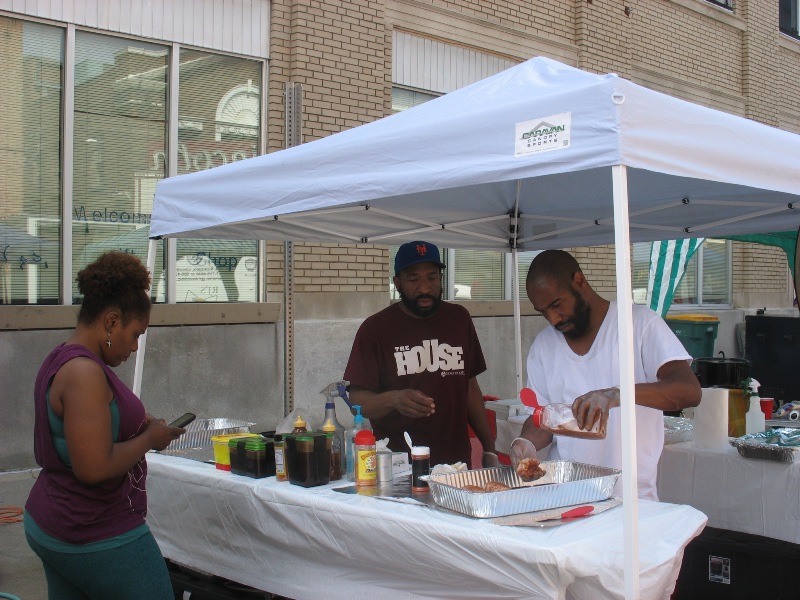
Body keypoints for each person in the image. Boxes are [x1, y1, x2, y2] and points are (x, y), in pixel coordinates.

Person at [24, 251, 186, 599]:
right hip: (92, 529)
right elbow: (94, 468)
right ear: (111, 321)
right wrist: (149, 439)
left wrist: (136, 423)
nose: (135, 346)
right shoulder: (84, 372)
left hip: (55, 522)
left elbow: (88, 425)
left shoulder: (63, 357)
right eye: (135, 334)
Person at [520, 249, 701, 500]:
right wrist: (526, 443)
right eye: (543, 311)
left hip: (631, 502)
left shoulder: (638, 324)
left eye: (556, 305)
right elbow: (542, 419)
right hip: (565, 499)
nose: (553, 319)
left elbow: (689, 391)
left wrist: (618, 394)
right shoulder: (543, 345)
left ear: (579, 281)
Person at [343, 240, 496, 466]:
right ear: (397, 283)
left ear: (441, 279)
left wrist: (489, 449)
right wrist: (395, 399)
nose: (424, 288)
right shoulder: (375, 329)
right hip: (398, 466)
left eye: (432, 277)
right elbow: (357, 401)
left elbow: (470, 386)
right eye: (413, 279)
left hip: (456, 465)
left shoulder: (459, 318)